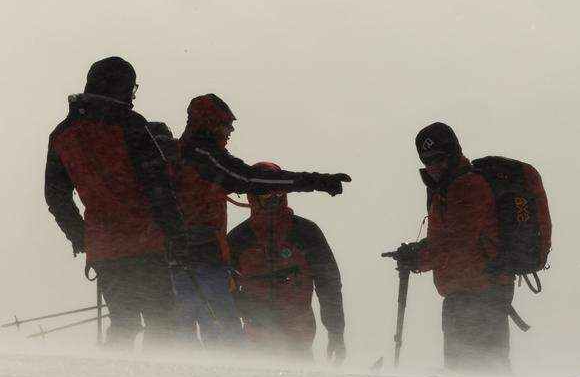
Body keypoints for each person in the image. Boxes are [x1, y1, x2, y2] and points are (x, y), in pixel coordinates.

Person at [173, 93, 351, 347]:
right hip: (200, 260)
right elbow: (249, 179)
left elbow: (328, 283)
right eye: (226, 124)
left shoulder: (185, 154)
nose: (231, 130)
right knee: (224, 339)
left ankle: (186, 375)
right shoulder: (204, 156)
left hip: (184, 259)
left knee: (192, 334)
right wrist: (316, 181)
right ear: (212, 124)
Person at [44, 57, 185, 349]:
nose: (133, 97)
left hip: (104, 247)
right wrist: (176, 233)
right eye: (132, 88)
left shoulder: (62, 134)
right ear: (121, 86)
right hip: (145, 241)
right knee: (164, 322)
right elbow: (157, 184)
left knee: (124, 321)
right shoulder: (130, 124)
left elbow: (55, 196)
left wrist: (80, 236)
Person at [391, 123, 519, 372]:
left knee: (475, 369)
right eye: (427, 161)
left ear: (454, 154)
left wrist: (417, 258)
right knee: (472, 368)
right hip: (467, 291)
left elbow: (458, 242)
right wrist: (418, 253)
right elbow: (448, 240)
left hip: (480, 291)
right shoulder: (446, 188)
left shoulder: (467, 186)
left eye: (440, 159)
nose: (434, 166)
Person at [227, 163, 345, 362]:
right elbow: (221, 289)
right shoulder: (239, 238)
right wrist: (249, 308)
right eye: (266, 194)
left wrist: (336, 333)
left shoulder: (306, 232)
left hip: (299, 338)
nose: (274, 198)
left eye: (279, 192)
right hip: (256, 339)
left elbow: (329, 284)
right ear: (253, 196)